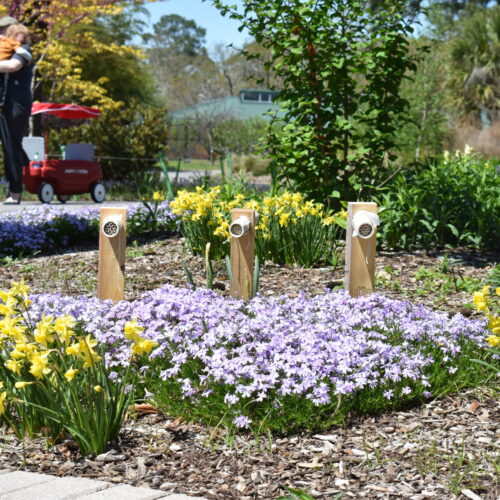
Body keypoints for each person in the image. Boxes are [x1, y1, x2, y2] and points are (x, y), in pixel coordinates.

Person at [0, 16, 33, 205]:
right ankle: (27, 163)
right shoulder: (4, 50)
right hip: (3, 103)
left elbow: (13, 66)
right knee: (11, 147)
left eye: (3, 30)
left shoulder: (24, 51)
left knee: (11, 147)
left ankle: (15, 192)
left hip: (16, 105)